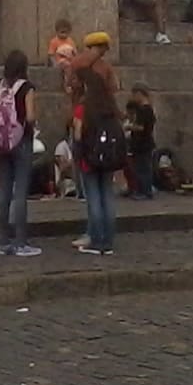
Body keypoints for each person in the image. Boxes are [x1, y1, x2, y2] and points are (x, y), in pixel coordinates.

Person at [0, 51, 41, 257]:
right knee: (20, 191)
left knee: (4, 191)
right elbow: (29, 117)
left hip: (2, 142)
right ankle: (21, 241)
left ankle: (4, 241)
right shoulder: (26, 87)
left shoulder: (0, 84)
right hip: (21, 141)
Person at [75, 61, 121, 255]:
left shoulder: (83, 107)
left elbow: (77, 134)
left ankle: (97, 240)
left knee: (93, 197)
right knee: (107, 196)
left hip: (89, 157)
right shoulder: (110, 106)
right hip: (109, 156)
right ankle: (109, 240)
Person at [124, 83, 158, 200]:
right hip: (139, 144)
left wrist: (129, 127)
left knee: (143, 169)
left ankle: (145, 191)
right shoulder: (143, 110)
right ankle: (140, 189)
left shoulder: (146, 110)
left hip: (143, 144)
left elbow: (142, 127)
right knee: (139, 168)